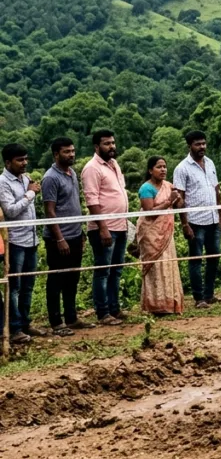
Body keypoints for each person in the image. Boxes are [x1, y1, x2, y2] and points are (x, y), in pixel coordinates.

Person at [42, 138, 91, 335]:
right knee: (56, 279)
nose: (71, 154)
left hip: (75, 234)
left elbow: (75, 203)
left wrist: (81, 233)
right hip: (58, 238)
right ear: (56, 154)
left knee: (72, 278)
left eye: (72, 151)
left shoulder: (72, 174)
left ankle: (71, 318)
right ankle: (56, 322)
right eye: (66, 152)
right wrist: (60, 238)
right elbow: (50, 211)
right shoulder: (50, 178)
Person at [173, 130, 221, 308]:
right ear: (190, 146)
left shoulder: (210, 163)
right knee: (196, 259)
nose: (202, 147)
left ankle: (210, 294)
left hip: (213, 219)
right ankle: (198, 298)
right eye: (198, 144)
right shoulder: (182, 168)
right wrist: (185, 224)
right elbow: (180, 198)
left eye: (203, 143)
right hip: (195, 221)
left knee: (214, 257)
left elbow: (216, 189)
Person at [82, 129, 129, 326]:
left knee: (116, 270)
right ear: (96, 146)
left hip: (121, 225)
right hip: (104, 228)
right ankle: (103, 313)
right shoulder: (92, 168)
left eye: (113, 143)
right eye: (107, 144)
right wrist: (103, 228)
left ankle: (114, 308)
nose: (112, 147)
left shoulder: (114, 164)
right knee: (103, 271)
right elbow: (92, 200)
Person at [0, 143, 42, 344]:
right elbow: (11, 210)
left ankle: (25, 323)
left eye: (26, 159)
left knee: (28, 285)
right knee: (14, 287)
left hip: (31, 239)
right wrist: (31, 193)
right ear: (8, 162)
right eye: (19, 160)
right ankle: (14, 328)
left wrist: (30, 191)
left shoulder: (25, 179)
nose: (24, 163)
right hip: (15, 241)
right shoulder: (3, 183)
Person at [137, 156, 185, 316]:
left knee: (168, 264)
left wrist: (178, 200)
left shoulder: (169, 186)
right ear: (151, 170)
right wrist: (169, 202)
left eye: (165, 166)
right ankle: (155, 306)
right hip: (151, 234)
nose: (163, 169)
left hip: (166, 233)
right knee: (156, 267)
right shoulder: (146, 188)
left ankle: (170, 304)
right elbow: (149, 213)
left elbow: (178, 205)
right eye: (159, 167)